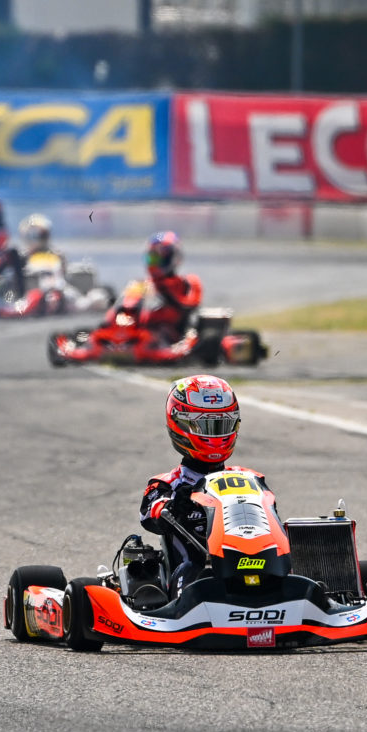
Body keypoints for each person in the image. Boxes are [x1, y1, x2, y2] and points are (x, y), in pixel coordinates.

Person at [140, 374, 247, 589]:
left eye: (222, 425)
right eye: (205, 427)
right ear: (180, 424)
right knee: (199, 575)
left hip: (246, 562)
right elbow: (150, 516)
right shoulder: (165, 485)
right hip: (195, 571)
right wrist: (175, 506)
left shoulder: (247, 479)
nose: (215, 436)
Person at [141, 233, 204, 345]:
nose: (157, 263)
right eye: (154, 258)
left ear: (174, 258)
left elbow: (190, 305)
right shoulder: (145, 285)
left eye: (161, 258)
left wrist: (168, 294)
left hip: (177, 331)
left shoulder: (188, 282)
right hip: (146, 329)